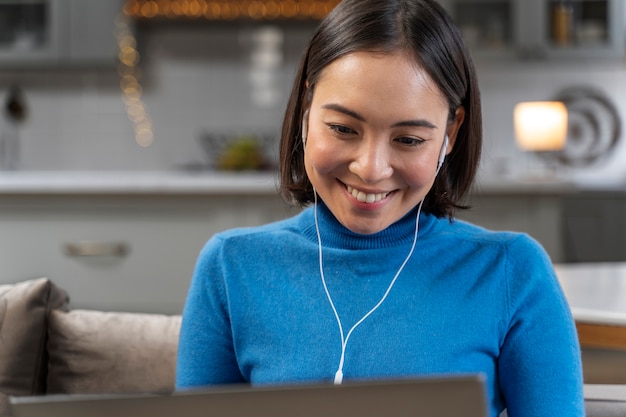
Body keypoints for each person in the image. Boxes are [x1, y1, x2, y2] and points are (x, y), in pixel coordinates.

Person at [176, 1, 584, 416]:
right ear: (305, 113)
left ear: (450, 132)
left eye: (408, 139)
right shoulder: (231, 266)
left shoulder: (512, 272)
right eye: (342, 129)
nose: (371, 169)